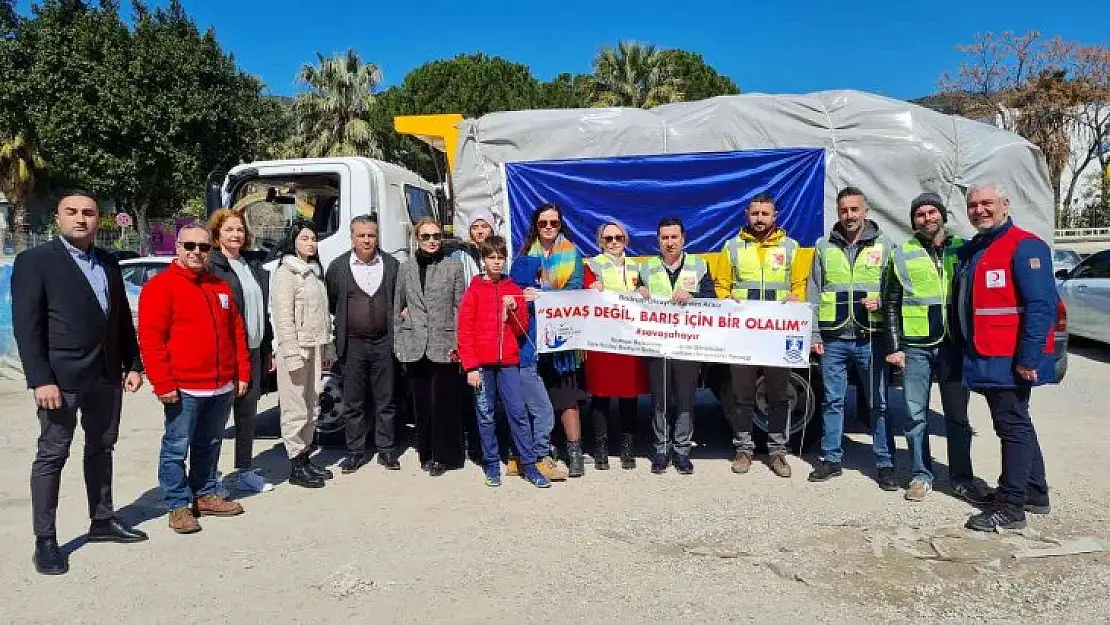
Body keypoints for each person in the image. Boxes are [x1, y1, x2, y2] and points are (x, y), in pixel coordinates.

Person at [12, 190, 147, 575]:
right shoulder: (35, 261)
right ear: (58, 218)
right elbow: (28, 327)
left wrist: (132, 364)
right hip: (60, 380)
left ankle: (102, 520)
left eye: (88, 212)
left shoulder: (107, 262)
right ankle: (46, 540)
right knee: (52, 455)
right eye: (71, 212)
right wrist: (41, 379)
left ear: (98, 220)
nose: (80, 218)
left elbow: (119, 319)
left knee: (102, 448)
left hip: (105, 376)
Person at [954, 182, 1057, 531]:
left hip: (1009, 357)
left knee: (1011, 426)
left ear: (1004, 204)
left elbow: (1041, 306)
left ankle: (1012, 508)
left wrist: (1028, 359)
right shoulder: (979, 248)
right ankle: (1034, 491)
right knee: (1017, 422)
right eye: (973, 205)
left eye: (987, 203)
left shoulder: (1024, 246)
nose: (979, 210)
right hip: (987, 354)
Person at [138, 223, 250, 535]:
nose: (197, 252)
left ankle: (205, 494)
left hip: (221, 385)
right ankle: (177, 504)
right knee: (176, 447)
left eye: (203, 247)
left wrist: (241, 372)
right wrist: (163, 384)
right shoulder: (160, 288)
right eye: (190, 246)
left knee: (210, 443)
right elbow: (151, 341)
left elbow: (236, 332)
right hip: (183, 388)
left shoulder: (220, 287)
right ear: (178, 248)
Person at [883, 193, 992, 503]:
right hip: (915, 346)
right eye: (920, 214)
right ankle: (921, 475)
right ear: (913, 220)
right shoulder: (902, 253)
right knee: (915, 415)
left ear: (942, 215)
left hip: (954, 345)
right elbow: (891, 301)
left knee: (957, 416)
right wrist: (894, 346)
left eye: (932, 212)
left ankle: (961, 478)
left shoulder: (964, 249)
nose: (927, 218)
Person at [807, 187, 896, 490]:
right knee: (833, 401)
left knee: (879, 403)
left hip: (870, 337)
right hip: (833, 338)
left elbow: (896, 289)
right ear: (838, 211)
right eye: (843, 210)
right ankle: (831, 460)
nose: (849, 216)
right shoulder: (823, 246)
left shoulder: (885, 245)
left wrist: (882, 303)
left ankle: (884, 463)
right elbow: (815, 290)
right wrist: (815, 333)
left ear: (865, 211)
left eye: (854, 210)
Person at [715, 193, 807, 478]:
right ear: (747, 214)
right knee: (742, 396)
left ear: (775, 215)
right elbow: (721, 285)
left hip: (777, 336)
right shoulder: (731, 247)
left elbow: (799, 285)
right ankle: (743, 450)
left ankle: (778, 453)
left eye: (765, 214)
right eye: (755, 214)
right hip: (743, 335)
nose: (759, 219)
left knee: (778, 396)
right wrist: (728, 299)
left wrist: (796, 298)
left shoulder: (791, 247)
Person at [457, 236, 552, 489]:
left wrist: (515, 308)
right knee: (486, 414)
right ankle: (490, 463)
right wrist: (471, 366)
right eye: (491, 258)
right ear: (483, 260)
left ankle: (528, 465)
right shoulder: (474, 291)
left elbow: (520, 330)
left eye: (500, 258)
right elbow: (464, 331)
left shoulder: (512, 288)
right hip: (482, 365)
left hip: (508, 362)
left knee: (518, 413)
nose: (496, 263)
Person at [637, 217, 715, 475]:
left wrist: (693, 297)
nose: (669, 243)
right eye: (664, 238)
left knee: (685, 399)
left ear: (683, 239)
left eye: (674, 237)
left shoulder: (699, 265)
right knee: (659, 401)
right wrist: (638, 294)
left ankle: (682, 451)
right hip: (657, 345)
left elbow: (712, 300)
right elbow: (632, 304)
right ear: (658, 241)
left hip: (688, 345)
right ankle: (661, 450)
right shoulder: (646, 269)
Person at [324, 215, 400, 473]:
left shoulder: (391, 265)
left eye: (371, 235)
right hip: (353, 344)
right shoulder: (337, 267)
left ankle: (387, 450)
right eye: (361, 235)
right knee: (354, 401)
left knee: (385, 400)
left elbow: (399, 300)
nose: (367, 240)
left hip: (384, 343)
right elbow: (333, 301)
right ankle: (355, 452)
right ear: (352, 237)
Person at [207, 209, 275, 494]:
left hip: (255, 350)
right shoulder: (213, 266)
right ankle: (208, 478)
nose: (236, 235)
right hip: (228, 353)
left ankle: (245, 470)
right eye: (229, 230)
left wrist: (268, 347)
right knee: (217, 418)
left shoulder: (249, 264)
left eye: (239, 230)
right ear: (217, 234)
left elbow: (262, 309)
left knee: (247, 414)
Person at [518, 203, 589, 477]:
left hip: (563, 338)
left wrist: (544, 294)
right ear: (536, 225)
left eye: (554, 223)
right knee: (538, 399)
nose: (548, 227)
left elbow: (575, 290)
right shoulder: (525, 254)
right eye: (543, 223)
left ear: (561, 225)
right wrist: (528, 294)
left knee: (566, 396)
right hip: (533, 337)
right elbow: (518, 285)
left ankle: (575, 452)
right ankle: (545, 451)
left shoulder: (572, 254)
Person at [395, 218, 466, 476]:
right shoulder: (406, 269)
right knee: (422, 403)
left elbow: (461, 308)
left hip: (445, 343)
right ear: (417, 239)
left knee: (443, 402)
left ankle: (444, 455)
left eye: (436, 235)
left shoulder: (453, 267)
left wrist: (460, 343)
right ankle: (426, 452)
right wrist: (399, 345)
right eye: (426, 236)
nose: (432, 240)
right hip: (415, 344)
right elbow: (397, 308)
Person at [271, 219, 336, 488]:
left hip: (314, 347)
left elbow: (323, 316)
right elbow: (283, 317)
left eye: (313, 239)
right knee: (295, 408)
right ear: (293, 241)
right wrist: (292, 353)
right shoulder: (286, 273)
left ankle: (306, 457)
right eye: (304, 238)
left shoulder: (313, 272)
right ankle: (296, 463)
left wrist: (327, 347)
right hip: (295, 350)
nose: (310, 243)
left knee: (312, 406)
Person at [585, 221, 649, 470]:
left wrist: (645, 290)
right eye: (608, 238)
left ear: (626, 240)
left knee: (629, 396)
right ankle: (600, 447)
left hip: (630, 338)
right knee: (600, 395)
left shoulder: (637, 267)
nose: (613, 242)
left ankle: (627, 446)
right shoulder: (592, 265)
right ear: (601, 242)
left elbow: (649, 296)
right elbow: (581, 295)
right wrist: (590, 288)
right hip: (602, 338)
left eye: (618, 238)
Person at [509, 254, 569, 482]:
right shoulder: (530, 297)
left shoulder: (513, 293)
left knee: (521, 412)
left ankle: (517, 458)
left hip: (515, 363)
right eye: (541, 272)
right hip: (524, 363)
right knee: (543, 411)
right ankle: (540, 458)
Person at [450, 207, 497, 463]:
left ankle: (492, 440)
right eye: (475, 227)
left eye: (484, 226)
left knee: (491, 389)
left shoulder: (499, 254)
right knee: (470, 387)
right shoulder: (459, 255)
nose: (480, 231)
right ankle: (473, 441)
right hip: (469, 325)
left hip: (492, 328)